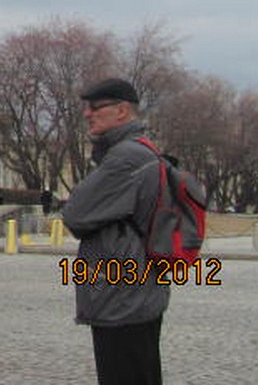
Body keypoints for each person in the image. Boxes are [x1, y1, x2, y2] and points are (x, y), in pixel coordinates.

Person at [62, 78, 169, 385]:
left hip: (122, 294)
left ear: (122, 110)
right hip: (136, 291)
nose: (87, 114)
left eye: (96, 107)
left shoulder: (126, 157)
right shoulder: (141, 150)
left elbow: (75, 213)